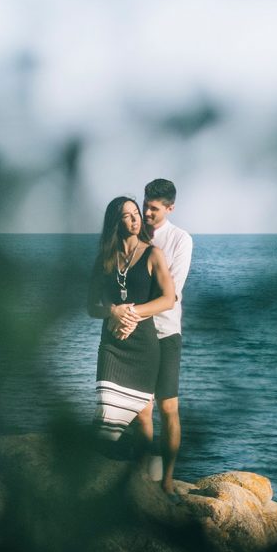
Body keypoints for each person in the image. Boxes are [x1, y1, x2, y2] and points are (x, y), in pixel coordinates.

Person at [110, 179, 192, 495]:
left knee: (168, 408)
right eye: (145, 206)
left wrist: (130, 313)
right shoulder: (132, 235)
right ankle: (146, 474)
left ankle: (168, 480)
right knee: (141, 411)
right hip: (136, 333)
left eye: (154, 209)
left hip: (166, 331)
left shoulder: (180, 240)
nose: (146, 213)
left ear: (170, 209)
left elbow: (171, 292)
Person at [87, 196, 175, 447]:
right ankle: (100, 467)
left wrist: (131, 313)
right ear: (116, 221)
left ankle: (143, 477)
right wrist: (113, 311)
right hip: (113, 345)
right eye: (127, 215)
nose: (136, 218)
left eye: (136, 212)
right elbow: (91, 307)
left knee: (143, 415)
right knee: (105, 408)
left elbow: (168, 300)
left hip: (143, 345)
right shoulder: (104, 258)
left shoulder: (153, 254)